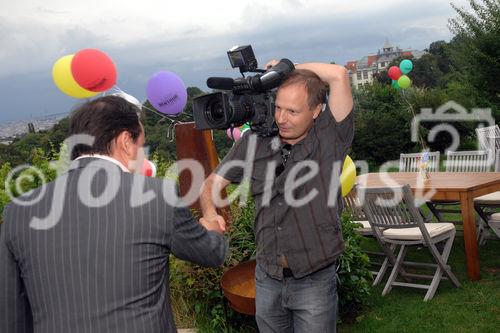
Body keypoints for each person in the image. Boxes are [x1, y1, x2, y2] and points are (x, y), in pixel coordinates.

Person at [0, 95, 227, 333]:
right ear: (125, 141)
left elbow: (10, 316)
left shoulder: (17, 211)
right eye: (142, 145)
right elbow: (211, 253)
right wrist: (211, 226)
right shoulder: (159, 196)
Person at [200, 61, 353, 332]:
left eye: (293, 111)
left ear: (317, 111)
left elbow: (339, 75)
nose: (281, 118)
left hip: (314, 281)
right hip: (267, 278)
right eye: (278, 107)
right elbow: (211, 182)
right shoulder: (254, 142)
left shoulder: (329, 138)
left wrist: (286, 67)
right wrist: (210, 213)